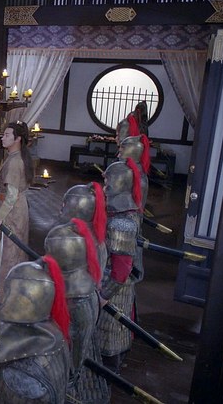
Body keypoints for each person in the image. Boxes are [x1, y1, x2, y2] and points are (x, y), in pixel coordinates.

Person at [0, 258, 71, 403]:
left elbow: (24, 381)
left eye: (10, 293)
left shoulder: (17, 381)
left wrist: (0, 381)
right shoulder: (56, 333)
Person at [43, 221, 108, 403]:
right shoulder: (88, 289)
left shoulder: (77, 302)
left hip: (67, 370)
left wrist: (70, 377)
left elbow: (75, 348)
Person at [97, 158, 144, 373]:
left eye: (108, 182)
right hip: (110, 279)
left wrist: (104, 294)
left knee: (111, 332)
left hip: (114, 287)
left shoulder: (121, 224)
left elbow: (121, 269)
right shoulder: (122, 213)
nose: (105, 186)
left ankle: (110, 372)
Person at [0, 121, 32, 304]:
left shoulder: (15, 161)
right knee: (10, 250)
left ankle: (5, 293)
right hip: (16, 207)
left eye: (6, 135)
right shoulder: (16, 157)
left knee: (9, 251)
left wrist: (0, 217)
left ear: (17, 139)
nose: (2, 138)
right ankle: (2, 289)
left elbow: (12, 195)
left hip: (12, 210)